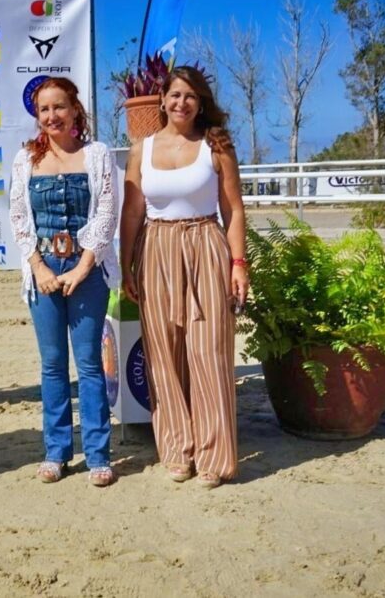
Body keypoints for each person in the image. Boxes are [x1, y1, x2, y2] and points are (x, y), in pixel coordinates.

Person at [119, 65, 248, 489]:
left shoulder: (216, 145)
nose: (181, 103)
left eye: (190, 96)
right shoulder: (142, 149)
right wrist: (126, 266)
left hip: (204, 245)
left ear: (201, 102)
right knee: (163, 353)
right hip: (156, 249)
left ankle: (214, 456)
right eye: (175, 95)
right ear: (162, 99)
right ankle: (177, 450)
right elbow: (133, 211)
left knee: (208, 352)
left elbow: (233, 210)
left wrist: (238, 264)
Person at [8, 77, 120, 487]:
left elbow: (106, 212)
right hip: (43, 268)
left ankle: (97, 454)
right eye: (43, 110)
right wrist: (39, 266)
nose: (51, 116)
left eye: (59, 107)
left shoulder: (97, 154)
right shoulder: (26, 160)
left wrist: (82, 266)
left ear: (75, 109)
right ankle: (56, 451)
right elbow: (19, 216)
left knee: (89, 364)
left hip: (85, 269)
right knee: (53, 365)